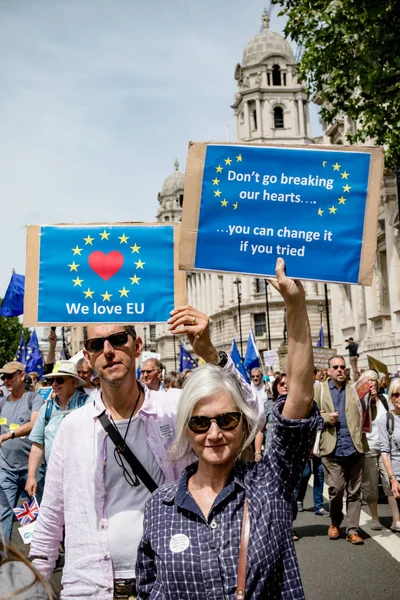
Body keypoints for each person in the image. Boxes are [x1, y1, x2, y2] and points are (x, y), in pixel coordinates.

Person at [30, 306, 260, 599]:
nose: (109, 350)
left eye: (118, 339)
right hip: (90, 587)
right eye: (96, 345)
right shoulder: (72, 428)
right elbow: (50, 518)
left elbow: (252, 412)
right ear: (87, 357)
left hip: (173, 579)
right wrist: (33, 587)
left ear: (137, 346)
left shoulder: (174, 409)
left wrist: (212, 354)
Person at [136, 258, 319, 599]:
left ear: (244, 422)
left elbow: (299, 398)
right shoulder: (160, 507)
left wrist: (295, 305)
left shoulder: (270, 484)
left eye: (227, 419)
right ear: (186, 428)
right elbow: (151, 590)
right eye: (201, 422)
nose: (215, 433)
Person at [314, 355, 376, 544]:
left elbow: (368, 416)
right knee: (336, 489)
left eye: (343, 367)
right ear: (329, 371)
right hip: (331, 450)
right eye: (336, 367)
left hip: (354, 448)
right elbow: (310, 416)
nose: (340, 370)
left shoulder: (356, 390)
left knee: (355, 492)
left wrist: (372, 399)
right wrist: (325, 419)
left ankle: (352, 530)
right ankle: (335, 521)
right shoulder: (320, 390)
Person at [25, 361, 91, 497]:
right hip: (53, 479)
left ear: (73, 382)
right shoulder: (46, 409)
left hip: (84, 479)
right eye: (51, 380)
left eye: (59, 380)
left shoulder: (89, 404)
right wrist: (31, 476)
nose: (54, 384)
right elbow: (37, 445)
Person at [0, 361, 44, 541]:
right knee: (3, 512)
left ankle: (45, 553)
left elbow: (34, 424)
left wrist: (9, 435)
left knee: (37, 512)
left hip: (31, 468)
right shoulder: (2, 402)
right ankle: (4, 556)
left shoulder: (34, 399)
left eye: (10, 376)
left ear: (22, 376)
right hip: (6, 467)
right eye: (4, 377)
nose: (6, 380)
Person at [361, 369, 390, 530]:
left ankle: (396, 518)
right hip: (369, 448)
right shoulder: (359, 401)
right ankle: (375, 518)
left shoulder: (386, 399)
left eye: (373, 380)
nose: (371, 383)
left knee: (390, 483)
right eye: (367, 380)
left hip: (386, 449)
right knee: (371, 487)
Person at [378, 378, 400, 531]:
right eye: (395, 395)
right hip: (398, 474)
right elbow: (385, 452)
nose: (398, 398)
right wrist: (392, 478)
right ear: (391, 397)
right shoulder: (386, 420)